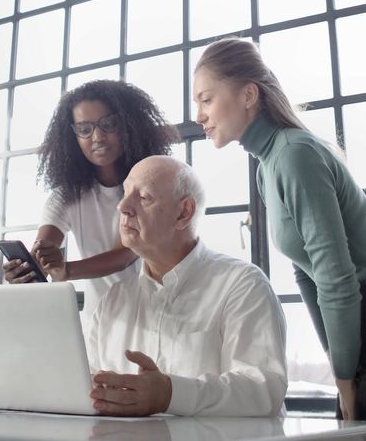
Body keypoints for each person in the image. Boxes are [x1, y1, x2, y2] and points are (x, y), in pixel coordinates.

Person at [192, 38, 366, 440]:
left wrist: (343, 375)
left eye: (206, 99)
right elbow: (305, 272)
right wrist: (336, 358)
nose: (199, 115)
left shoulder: (294, 154)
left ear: (248, 94)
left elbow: (335, 275)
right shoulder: (266, 166)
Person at [88, 155, 288, 417]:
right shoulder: (113, 300)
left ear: (184, 213)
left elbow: (262, 390)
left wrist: (171, 394)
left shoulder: (243, 285)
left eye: (144, 197)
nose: (123, 206)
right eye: (125, 193)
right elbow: (88, 382)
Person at [3, 80, 176, 320]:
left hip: (155, 316)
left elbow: (127, 252)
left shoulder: (150, 187)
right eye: (84, 129)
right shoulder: (65, 197)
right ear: (72, 136)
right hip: (98, 324)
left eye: (108, 124)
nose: (97, 137)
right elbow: (45, 248)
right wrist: (27, 269)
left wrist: (66, 271)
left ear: (127, 125)